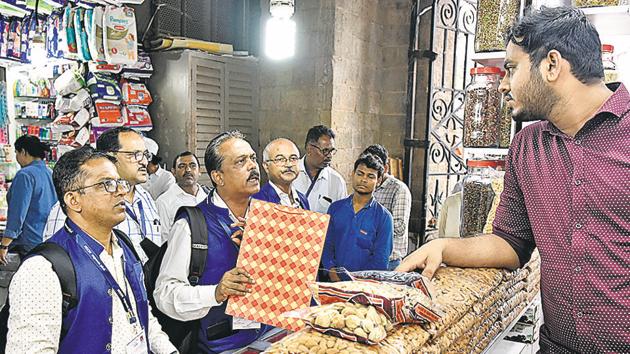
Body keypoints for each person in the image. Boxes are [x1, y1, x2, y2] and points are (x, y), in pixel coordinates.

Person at [397, 7, 630, 353]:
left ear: (552, 65)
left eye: (511, 68)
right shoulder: (527, 146)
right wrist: (444, 247)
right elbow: (511, 243)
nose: (503, 84)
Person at [6, 146, 176, 353]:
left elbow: (142, 316)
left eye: (119, 182)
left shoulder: (124, 246)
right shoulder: (42, 269)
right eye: (107, 184)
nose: (122, 191)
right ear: (73, 200)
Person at [154, 131, 269, 353]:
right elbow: (165, 294)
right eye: (240, 161)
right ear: (218, 176)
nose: (252, 167)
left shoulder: (267, 217)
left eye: (253, 158)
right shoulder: (192, 224)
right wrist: (216, 292)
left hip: (269, 337)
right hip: (220, 346)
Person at [43, 127, 163, 263]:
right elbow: (55, 261)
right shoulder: (76, 203)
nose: (144, 162)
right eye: (134, 154)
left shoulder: (146, 198)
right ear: (108, 157)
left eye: (145, 155)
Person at [322, 154, 393, 277]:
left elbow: (380, 262)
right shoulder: (335, 209)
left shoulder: (384, 218)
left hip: (365, 287)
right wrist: (332, 272)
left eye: (370, 176)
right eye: (360, 174)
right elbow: (327, 246)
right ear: (353, 174)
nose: (363, 180)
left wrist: (358, 284)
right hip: (332, 283)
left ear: (379, 181)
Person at [1, 135, 56, 259]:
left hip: (30, 242)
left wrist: (4, 245)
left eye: (16, 153)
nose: (16, 158)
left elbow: (18, 213)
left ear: (24, 152)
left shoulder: (25, 175)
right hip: (49, 239)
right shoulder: (50, 173)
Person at [362, 144, 411, 270]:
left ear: (385, 168)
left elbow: (399, 227)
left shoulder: (399, 189)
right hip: (367, 258)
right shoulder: (366, 185)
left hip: (390, 261)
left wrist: (368, 225)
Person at [293, 125, 347, 213]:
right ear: (309, 149)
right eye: (325, 151)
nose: (329, 156)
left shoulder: (337, 181)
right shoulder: (291, 173)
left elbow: (341, 216)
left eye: (331, 151)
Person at [156, 151, 208, 242]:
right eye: (182, 166)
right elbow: (163, 240)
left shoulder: (209, 197)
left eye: (192, 166)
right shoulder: (164, 202)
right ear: (174, 172)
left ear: (199, 171)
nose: (188, 170)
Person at [252, 138, 309, 209]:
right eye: (280, 159)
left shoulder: (302, 199)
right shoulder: (258, 200)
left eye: (293, 158)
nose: (289, 164)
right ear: (266, 166)